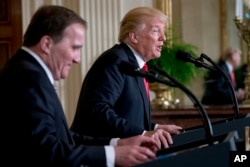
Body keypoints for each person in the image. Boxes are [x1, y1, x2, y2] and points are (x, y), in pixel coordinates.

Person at [0, 5, 161, 167]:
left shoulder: (30, 72)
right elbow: (46, 149)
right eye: (75, 48)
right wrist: (113, 155)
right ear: (47, 44)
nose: (78, 59)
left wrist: (118, 144)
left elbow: (64, 138)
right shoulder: (27, 77)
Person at [70, 6, 182, 148]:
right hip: (96, 155)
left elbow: (126, 114)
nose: (163, 38)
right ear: (134, 36)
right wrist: (142, 133)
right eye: (156, 31)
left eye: (163, 31)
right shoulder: (116, 61)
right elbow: (99, 110)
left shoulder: (135, 64)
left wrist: (154, 128)